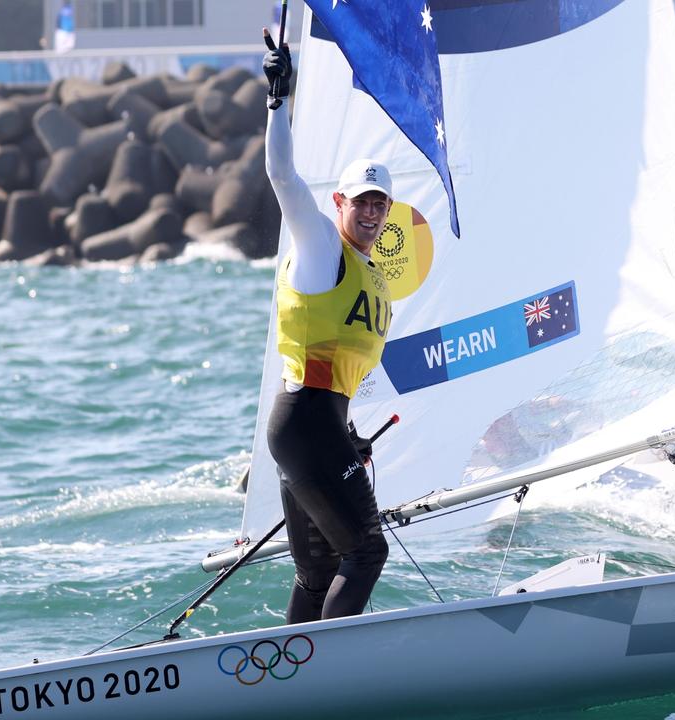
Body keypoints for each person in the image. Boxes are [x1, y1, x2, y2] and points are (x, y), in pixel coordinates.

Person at [262, 35, 391, 624]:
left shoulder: (369, 274)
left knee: (317, 574)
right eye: (361, 201)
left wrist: (352, 435)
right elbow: (283, 176)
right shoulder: (320, 247)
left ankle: (289, 683)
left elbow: (336, 374)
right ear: (340, 202)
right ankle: (325, 678)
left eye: (380, 204)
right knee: (366, 551)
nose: (370, 212)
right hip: (306, 424)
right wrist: (277, 100)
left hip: (316, 428)